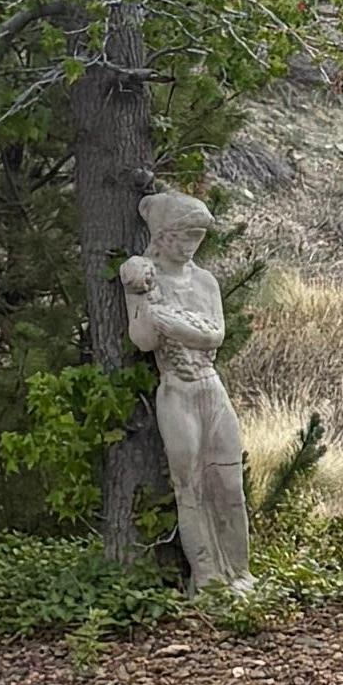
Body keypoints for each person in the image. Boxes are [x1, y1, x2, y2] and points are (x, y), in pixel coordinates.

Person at [117, 185, 252, 587]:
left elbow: (214, 335)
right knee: (189, 484)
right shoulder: (146, 277)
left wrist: (172, 322)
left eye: (198, 237)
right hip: (176, 390)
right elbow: (143, 338)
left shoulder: (205, 282)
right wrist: (137, 294)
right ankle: (208, 573)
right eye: (185, 236)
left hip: (211, 386)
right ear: (163, 236)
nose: (192, 245)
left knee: (228, 481)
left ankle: (240, 571)